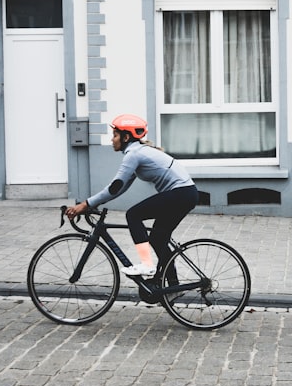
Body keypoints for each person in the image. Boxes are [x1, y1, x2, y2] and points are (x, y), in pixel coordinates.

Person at [65, 114, 198, 278]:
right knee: (158, 239)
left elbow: (114, 187)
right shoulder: (139, 153)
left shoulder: (134, 154)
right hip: (186, 194)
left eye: (115, 135)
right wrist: (92, 203)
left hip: (180, 193)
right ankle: (173, 286)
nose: (112, 140)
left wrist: (85, 204)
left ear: (126, 137)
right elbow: (120, 188)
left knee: (133, 215)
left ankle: (146, 264)